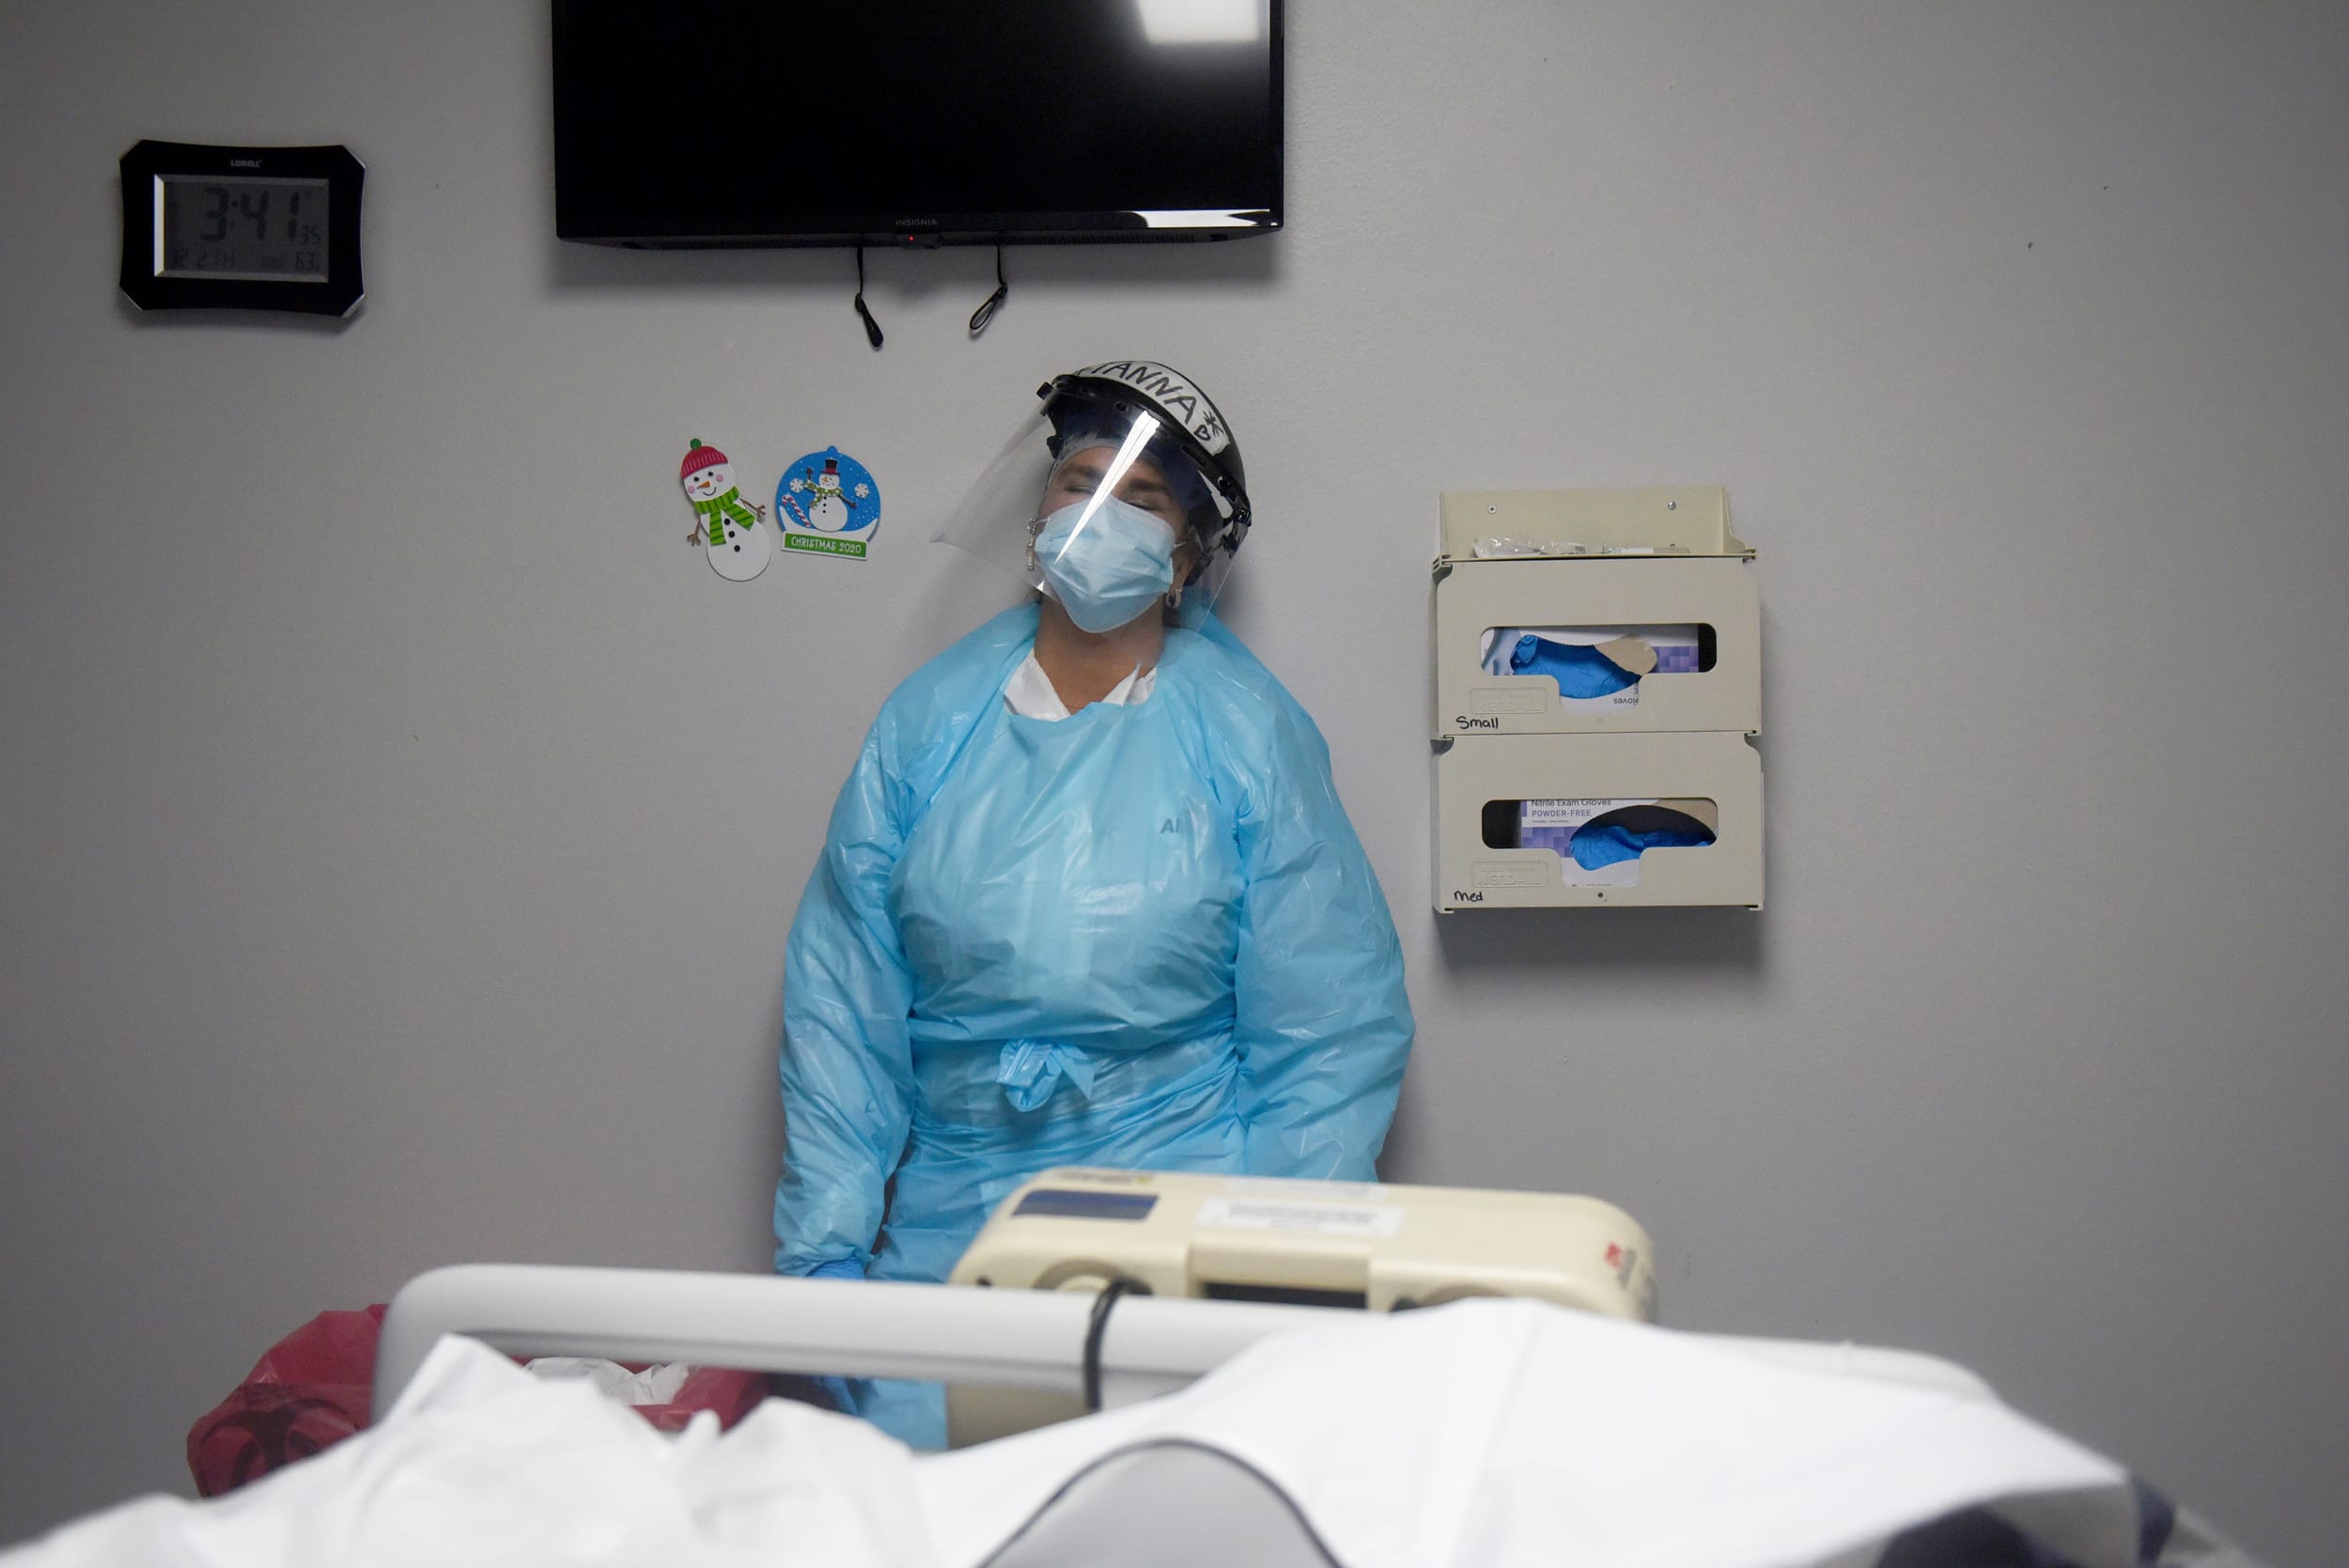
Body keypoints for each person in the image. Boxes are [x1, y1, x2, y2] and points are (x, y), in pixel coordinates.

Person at [771, 361, 1413, 1446]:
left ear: (1188, 556)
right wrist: (827, 1253)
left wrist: (1285, 1268)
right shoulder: (930, 724)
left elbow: (1328, 1031)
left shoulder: (1246, 735)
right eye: (1077, 482)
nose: (1098, 513)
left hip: (1188, 1218)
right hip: (954, 1222)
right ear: (1035, 523)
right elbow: (843, 1005)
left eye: (1144, 499)